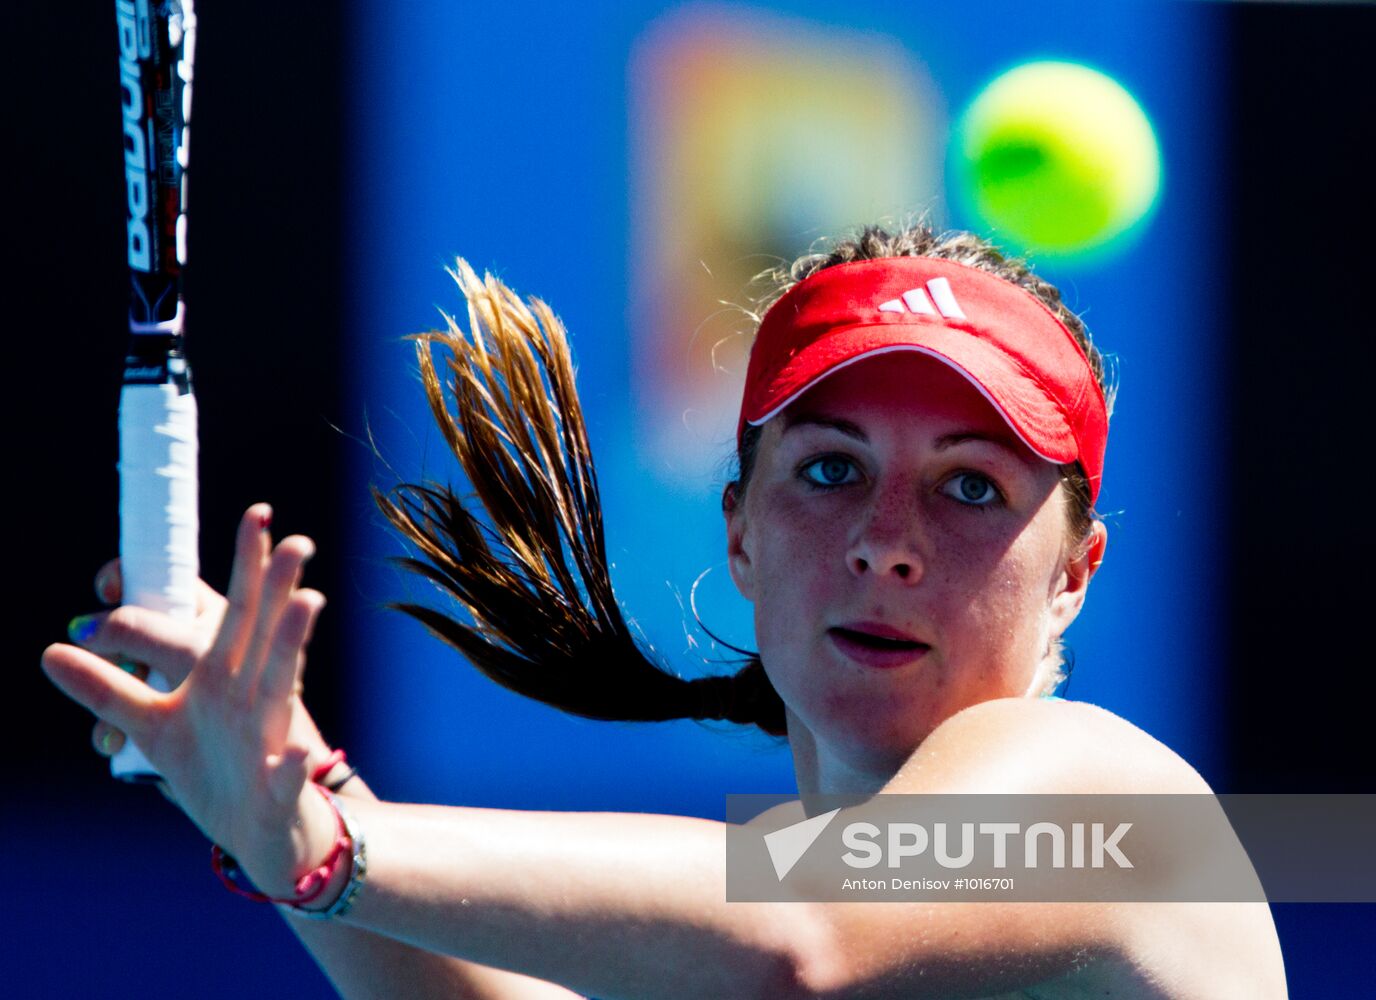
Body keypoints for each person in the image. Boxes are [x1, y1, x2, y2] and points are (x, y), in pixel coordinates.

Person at [43, 223, 1286, 998]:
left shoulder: (1118, 804)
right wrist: (285, 782)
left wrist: (320, 840)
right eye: (829, 468)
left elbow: (799, 930)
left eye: (970, 486)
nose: (885, 543)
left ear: (1074, 571)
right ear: (739, 529)